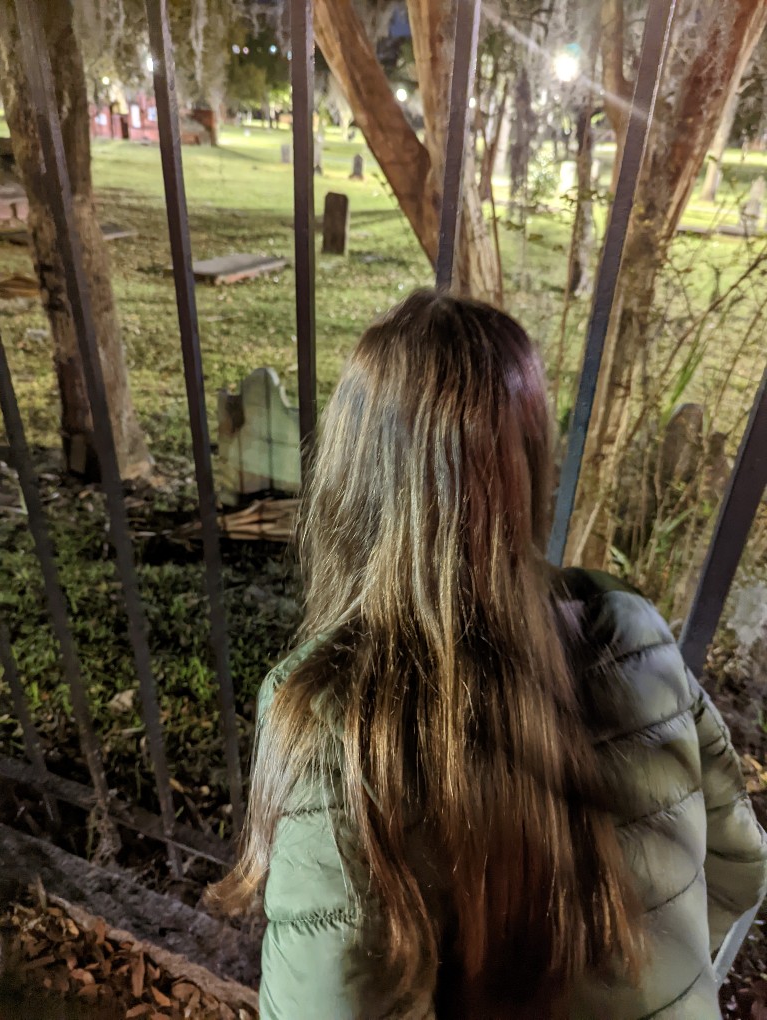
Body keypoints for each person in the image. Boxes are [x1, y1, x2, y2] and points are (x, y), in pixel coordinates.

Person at [216, 291, 767, 1018]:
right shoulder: (636, 634)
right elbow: (739, 868)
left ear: (352, 478)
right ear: (532, 465)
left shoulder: (334, 719)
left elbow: (328, 999)